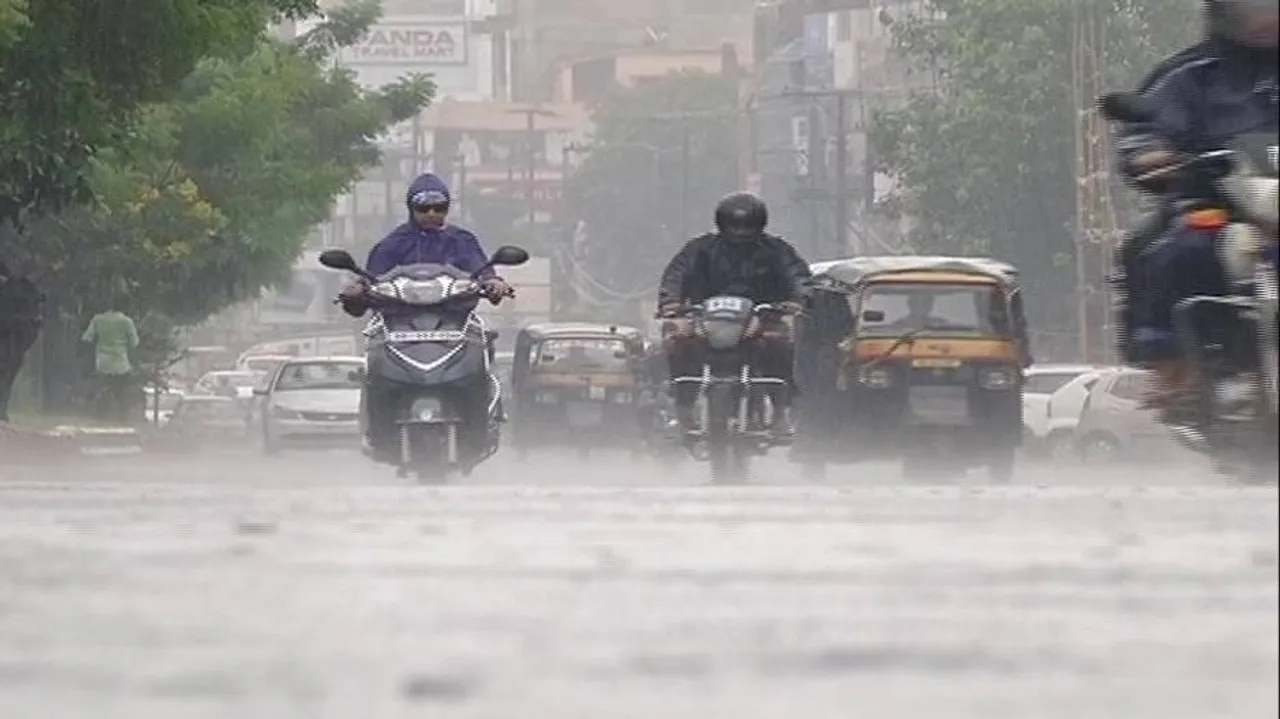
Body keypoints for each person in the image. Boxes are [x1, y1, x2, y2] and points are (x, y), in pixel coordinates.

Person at [1114, 0, 1277, 407]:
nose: (1266, 20)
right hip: (1219, 203)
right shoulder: (1188, 75)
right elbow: (1144, 129)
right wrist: (1150, 154)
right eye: (1253, 10)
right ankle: (1171, 362)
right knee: (1178, 246)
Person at [339, 173, 511, 463]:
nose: (432, 214)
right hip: (398, 323)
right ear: (411, 209)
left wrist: (494, 284)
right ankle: (378, 429)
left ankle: (485, 419)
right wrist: (357, 291)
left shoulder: (462, 241)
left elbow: (484, 272)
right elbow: (369, 281)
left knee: (483, 344)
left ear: (447, 209)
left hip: (455, 322)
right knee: (372, 352)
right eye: (424, 208)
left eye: (439, 208)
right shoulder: (392, 244)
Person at [656, 191, 813, 437]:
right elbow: (676, 274)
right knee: (678, 341)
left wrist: (800, 299)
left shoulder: (777, 250)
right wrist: (670, 302)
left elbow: (797, 275)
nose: (740, 232)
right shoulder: (699, 249)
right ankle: (684, 406)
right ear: (722, 224)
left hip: (761, 319)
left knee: (781, 342)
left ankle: (780, 411)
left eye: (747, 226)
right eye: (735, 226)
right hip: (704, 320)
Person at [81, 303, 140, 423]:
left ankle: (101, 416)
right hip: (121, 363)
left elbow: (87, 338)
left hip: (102, 362)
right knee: (121, 392)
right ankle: (122, 418)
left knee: (104, 387)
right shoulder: (127, 322)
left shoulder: (98, 319)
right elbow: (134, 343)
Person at [0, 262, 44, 423]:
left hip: (15, 333)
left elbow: (36, 316)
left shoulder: (28, 289)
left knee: (10, 369)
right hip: (10, 331)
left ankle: (3, 406)